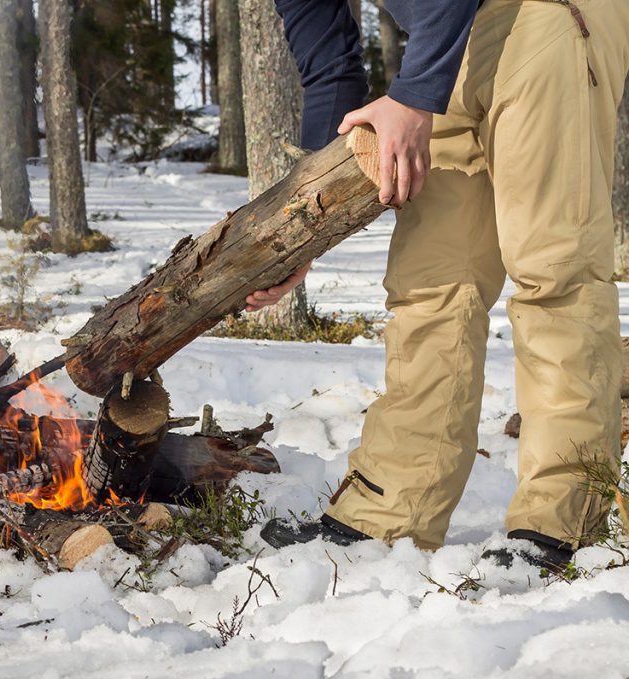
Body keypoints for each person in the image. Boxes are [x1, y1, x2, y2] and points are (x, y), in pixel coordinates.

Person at [250, 0, 629, 569]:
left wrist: (413, 96)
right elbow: (332, 69)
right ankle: (390, 513)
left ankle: (558, 522)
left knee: (554, 268)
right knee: (431, 283)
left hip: (547, 13)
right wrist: (305, 229)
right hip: (446, 42)